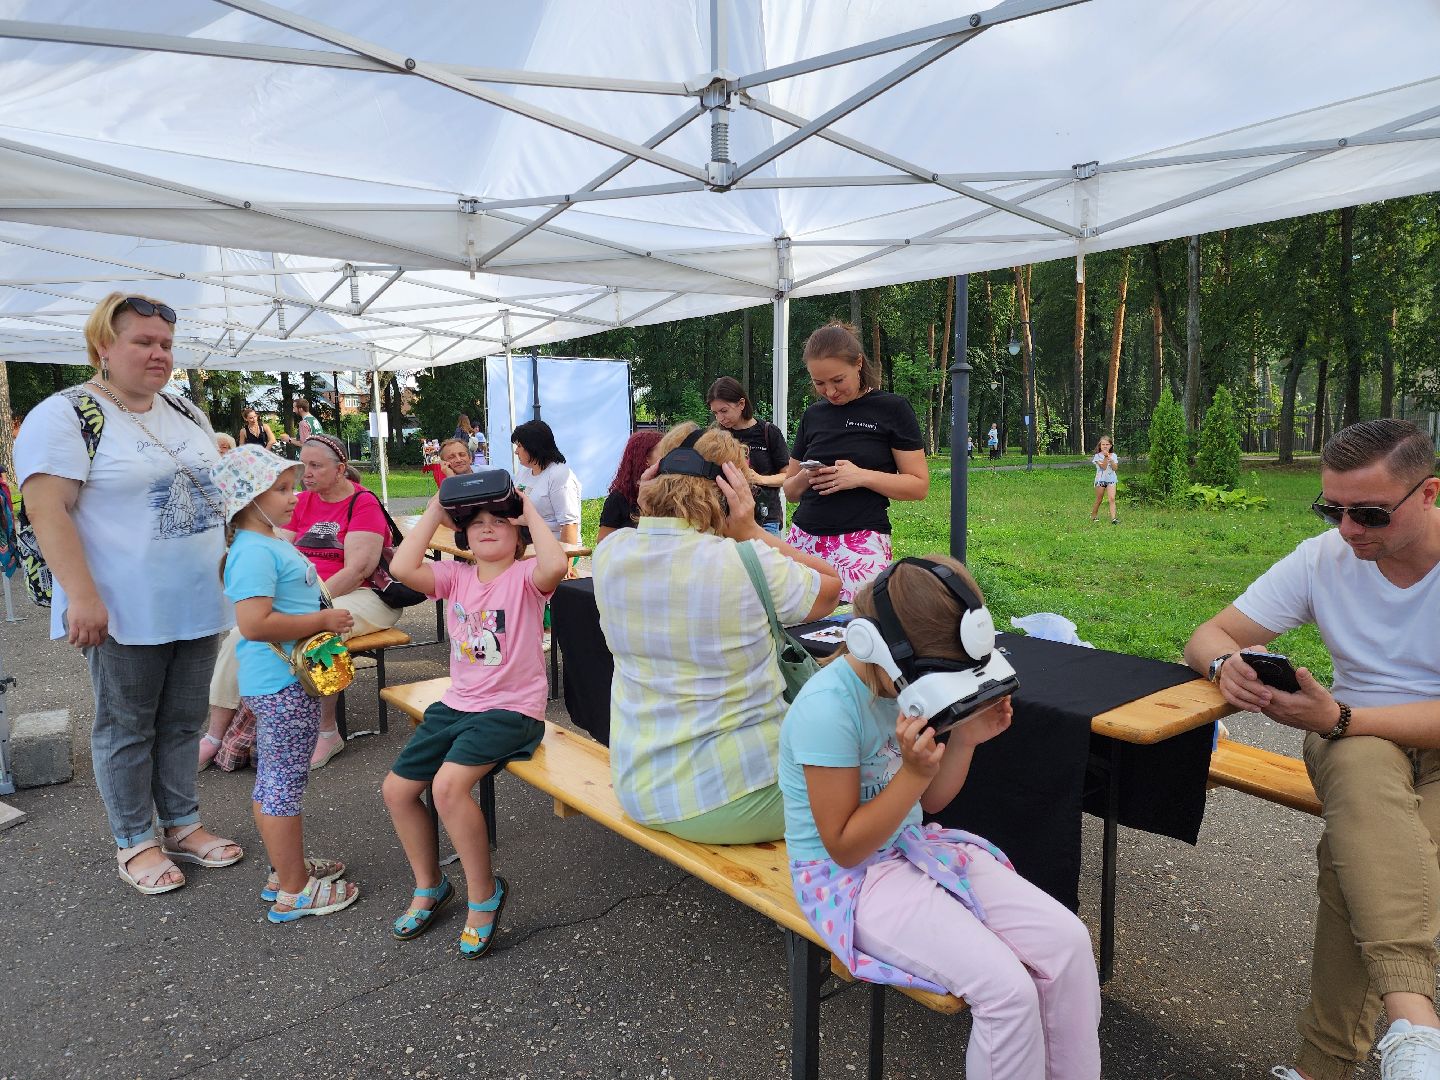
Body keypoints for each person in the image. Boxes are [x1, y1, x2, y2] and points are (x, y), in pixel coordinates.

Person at [1184, 419, 1440, 1080]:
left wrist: (1345, 714)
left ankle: (1324, 1067)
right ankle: (1414, 1023)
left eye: (1370, 513)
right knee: (1360, 776)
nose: (1349, 529)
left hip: (1377, 734)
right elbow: (1208, 634)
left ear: (1429, 494)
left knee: (1359, 862)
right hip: (1353, 745)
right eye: (1332, 509)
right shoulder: (1323, 556)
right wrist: (1225, 667)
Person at [779, 556, 1101, 1079]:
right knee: (1007, 991)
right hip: (847, 880)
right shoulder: (827, 710)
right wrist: (911, 773)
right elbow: (843, 846)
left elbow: (929, 806)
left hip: (913, 850)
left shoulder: (903, 683)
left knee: (1068, 944)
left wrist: (965, 740)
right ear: (870, 646)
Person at [15, 292, 242, 895]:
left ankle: (182, 823)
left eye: (166, 344)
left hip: (197, 601)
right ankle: (135, 839)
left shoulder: (184, 411)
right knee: (126, 726)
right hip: (122, 609)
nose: (159, 354)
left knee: (182, 721)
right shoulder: (66, 415)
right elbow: (48, 510)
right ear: (103, 348)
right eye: (143, 342)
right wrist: (81, 596)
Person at [593, 422, 841, 843]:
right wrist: (751, 530)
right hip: (735, 797)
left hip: (638, 787)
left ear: (651, 480)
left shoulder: (610, 553)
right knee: (878, 761)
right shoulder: (744, 561)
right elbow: (830, 588)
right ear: (733, 490)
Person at [382, 482, 566, 956]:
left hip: (512, 711)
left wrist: (527, 509)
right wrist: (435, 509)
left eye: (499, 521)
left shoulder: (526, 576)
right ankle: (430, 886)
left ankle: (483, 897)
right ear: (463, 534)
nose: (487, 527)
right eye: (476, 522)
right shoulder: (456, 577)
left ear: (519, 534)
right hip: (457, 705)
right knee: (397, 790)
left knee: (446, 788)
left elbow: (556, 565)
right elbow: (401, 567)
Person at [210, 444, 359, 922]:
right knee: (281, 783)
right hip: (282, 683)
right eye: (281, 489)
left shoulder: (264, 543)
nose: (294, 495)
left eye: (292, 485)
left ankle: (285, 869)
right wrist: (324, 618)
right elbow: (254, 624)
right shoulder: (253, 551)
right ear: (248, 500)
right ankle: (296, 889)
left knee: (280, 779)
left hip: (283, 681)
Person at [201, 433, 401, 771]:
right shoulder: (301, 502)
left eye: (315, 466)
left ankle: (327, 731)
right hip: (309, 593)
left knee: (319, 637)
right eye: (303, 464)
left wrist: (313, 610)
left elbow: (357, 570)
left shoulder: (362, 502)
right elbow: (277, 550)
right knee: (240, 636)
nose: (305, 474)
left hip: (362, 594)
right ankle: (216, 735)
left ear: (340, 469)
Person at [781, 322, 929, 603]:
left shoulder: (892, 408)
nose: (830, 391)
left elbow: (919, 486)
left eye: (838, 380)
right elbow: (789, 492)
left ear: (858, 363)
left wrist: (860, 476)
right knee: (800, 632)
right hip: (804, 539)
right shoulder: (813, 415)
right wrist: (806, 476)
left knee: (860, 631)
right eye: (819, 383)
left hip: (860, 541)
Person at [707, 376, 791, 535]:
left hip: (765, 520)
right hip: (726, 520)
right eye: (715, 413)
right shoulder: (716, 437)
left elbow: (788, 476)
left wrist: (760, 479)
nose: (720, 418)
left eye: (724, 411)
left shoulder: (768, 432)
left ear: (741, 404)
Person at [511, 419, 581, 544]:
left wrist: (565, 561)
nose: (516, 451)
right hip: (527, 544)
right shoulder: (524, 472)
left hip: (555, 547)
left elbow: (569, 525)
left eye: (519, 446)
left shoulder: (559, 475)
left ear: (533, 447)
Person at [596, 430, 662, 544]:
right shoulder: (619, 498)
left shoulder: (667, 494)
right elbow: (603, 542)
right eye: (664, 451)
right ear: (646, 458)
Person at [1089, 435, 1119, 524]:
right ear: (1100, 446)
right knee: (1099, 499)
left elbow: (1115, 468)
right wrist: (1106, 458)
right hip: (1101, 480)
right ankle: (1094, 516)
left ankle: (1113, 519)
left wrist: (1111, 460)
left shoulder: (1114, 455)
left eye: (1107, 444)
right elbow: (1103, 467)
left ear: (1110, 446)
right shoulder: (1097, 456)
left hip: (1111, 480)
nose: (1105, 446)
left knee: (1112, 498)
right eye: (1103, 444)